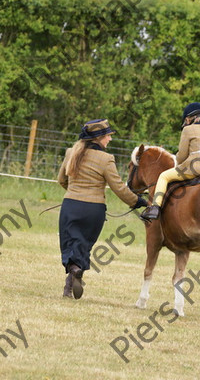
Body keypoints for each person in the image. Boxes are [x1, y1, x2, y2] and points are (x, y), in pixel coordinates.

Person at [58, 119, 148, 299]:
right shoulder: (106, 159)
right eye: (108, 136)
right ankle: (71, 282)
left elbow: (62, 180)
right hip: (94, 210)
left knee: (70, 245)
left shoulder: (71, 153)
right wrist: (139, 201)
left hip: (71, 205)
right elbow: (119, 188)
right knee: (84, 245)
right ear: (98, 138)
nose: (110, 139)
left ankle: (73, 272)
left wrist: (76, 193)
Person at [140, 102, 200, 221]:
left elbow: (182, 156)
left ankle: (155, 208)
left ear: (188, 119)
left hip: (195, 169)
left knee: (164, 176)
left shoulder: (188, 129)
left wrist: (179, 162)